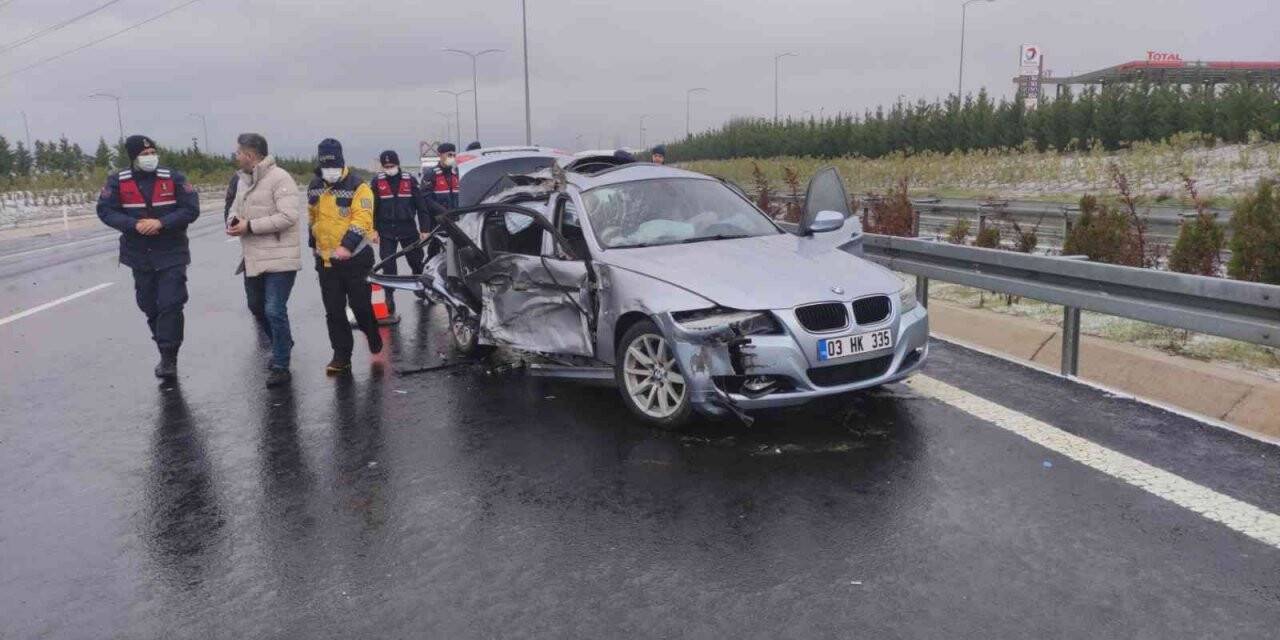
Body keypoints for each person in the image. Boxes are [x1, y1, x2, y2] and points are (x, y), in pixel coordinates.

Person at [95, 135, 200, 379]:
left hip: (171, 251)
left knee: (171, 303)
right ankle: (162, 345)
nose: (150, 156)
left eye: (152, 151)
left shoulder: (173, 177)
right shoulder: (118, 181)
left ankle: (169, 356)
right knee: (149, 305)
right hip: (138, 254)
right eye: (144, 153)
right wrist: (133, 225)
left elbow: (190, 209)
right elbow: (105, 210)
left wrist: (161, 223)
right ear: (133, 157)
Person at [225, 133, 304, 387]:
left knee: (274, 309)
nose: (236, 156)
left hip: (281, 257)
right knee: (256, 307)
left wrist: (250, 226)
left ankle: (281, 364)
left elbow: (289, 216)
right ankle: (284, 342)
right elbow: (235, 209)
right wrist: (234, 222)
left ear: (250, 155)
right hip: (253, 258)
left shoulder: (280, 178)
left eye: (238, 152)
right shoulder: (242, 181)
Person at [307, 138, 383, 375]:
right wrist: (313, 245)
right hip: (327, 262)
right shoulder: (315, 185)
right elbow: (313, 217)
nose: (329, 171)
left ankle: (371, 331)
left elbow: (363, 220)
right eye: (325, 166)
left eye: (333, 166)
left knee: (360, 306)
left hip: (355, 259)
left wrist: (347, 247)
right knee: (334, 310)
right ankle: (341, 356)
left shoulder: (359, 187)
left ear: (341, 163)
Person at [370, 150, 443, 320]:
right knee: (388, 266)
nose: (389, 168)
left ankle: (423, 290)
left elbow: (421, 207)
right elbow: (371, 210)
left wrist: (424, 228)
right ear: (382, 166)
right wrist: (372, 230)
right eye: (386, 166)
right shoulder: (376, 182)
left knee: (417, 262)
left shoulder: (409, 180)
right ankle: (389, 297)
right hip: (386, 230)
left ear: (398, 164)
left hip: (408, 229)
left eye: (392, 165)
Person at [424, 142, 460, 210]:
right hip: (438, 217)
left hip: (455, 217)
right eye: (449, 155)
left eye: (454, 155)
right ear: (440, 155)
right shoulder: (431, 174)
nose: (452, 157)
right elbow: (426, 198)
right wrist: (442, 211)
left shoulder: (457, 174)